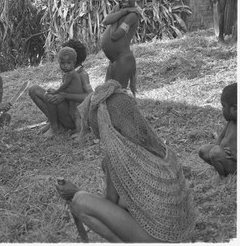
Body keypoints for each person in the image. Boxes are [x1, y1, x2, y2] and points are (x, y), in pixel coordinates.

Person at [55, 80, 196, 243]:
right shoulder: (159, 147)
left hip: (159, 238)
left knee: (80, 201)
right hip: (181, 233)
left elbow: (109, 205)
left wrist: (75, 191)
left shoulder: (118, 158)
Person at [28, 39, 93, 138]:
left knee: (48, 96)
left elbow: (90, 96)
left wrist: (65, 96)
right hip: (66, 110)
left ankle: (56, 128)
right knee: (34, 89)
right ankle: (55, 123)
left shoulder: (82, 74)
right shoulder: (68, 72)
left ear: (74, 59)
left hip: (75, 117)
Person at [101, 0, 141, 96]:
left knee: (117, 96)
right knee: (106, 93)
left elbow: (115, 35)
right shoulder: (119, 9)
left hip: (123, 60)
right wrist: (122, 12)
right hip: (114, 60)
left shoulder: (133, 15)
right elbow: (105, 20)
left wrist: (115, 18)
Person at [42, 47, 84, 137]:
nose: (65, 66)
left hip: (77, 101)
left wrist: (56, 91)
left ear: (74, 63)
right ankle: (73, 129)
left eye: (68, 63)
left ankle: (80, 133)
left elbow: (64, 86)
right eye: (62, 63)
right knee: (73, 114)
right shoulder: (67, 74)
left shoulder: (72, 73)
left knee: (77, 116)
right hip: (71, 101)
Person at [198, 82, 237, 176]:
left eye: (224, 106)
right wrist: (217, 145)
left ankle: (224, 177)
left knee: (216, 152)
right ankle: (222, 167)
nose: (222, 110)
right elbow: (221, 136)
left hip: (235, 161)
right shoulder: (231, 122)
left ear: (235, 109)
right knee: (203, 150)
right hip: (224, 155)